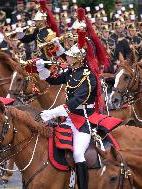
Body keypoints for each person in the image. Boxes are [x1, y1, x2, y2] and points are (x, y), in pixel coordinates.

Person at [38, 30, 104, 189]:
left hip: (84, 120)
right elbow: (54, 81)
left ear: (78, 59)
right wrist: (41, 69)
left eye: (69, 56)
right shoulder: (71, 71)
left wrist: (51, 112)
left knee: (78, 154)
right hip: (69, 118)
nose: (66, 57)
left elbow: (74, 102)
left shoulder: (89, 77)